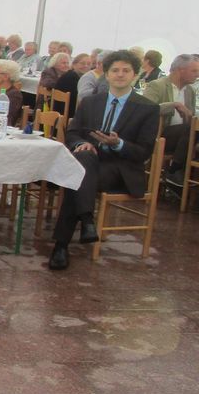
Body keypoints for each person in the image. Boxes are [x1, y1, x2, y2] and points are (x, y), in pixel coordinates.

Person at [48, 50, 159, 270]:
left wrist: (118, 144)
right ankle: (85, 221)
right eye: (115, 70)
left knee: (76, 178)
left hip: (121, 168)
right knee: (84, 158)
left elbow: (144, 152)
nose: (120, 74)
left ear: (135, 75)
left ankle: (63, 243)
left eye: (126, 70)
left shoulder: (147, 108)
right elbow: (73, 133)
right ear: (106, 75)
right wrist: (82, 143)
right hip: (90, 161)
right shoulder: (90, 102)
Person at [144, 54, 198, 187]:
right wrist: (173, 105)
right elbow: (145, 109)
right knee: (189, 129)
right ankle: (175, 170)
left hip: (183, 138)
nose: (197, 75)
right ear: (180, 70)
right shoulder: (157, 85)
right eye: (194, 71)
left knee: (192, 129)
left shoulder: (190, 90)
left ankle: (186, 179)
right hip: (159, 134)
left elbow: (190, 115)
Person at [53, 53, 93, 118]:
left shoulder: (71, 74)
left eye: (89, 64)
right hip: (67, 115)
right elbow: (79, 99)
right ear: (74, 65)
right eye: (82, 63)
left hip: (59, 113)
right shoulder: (71, 78)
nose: (86, 66)